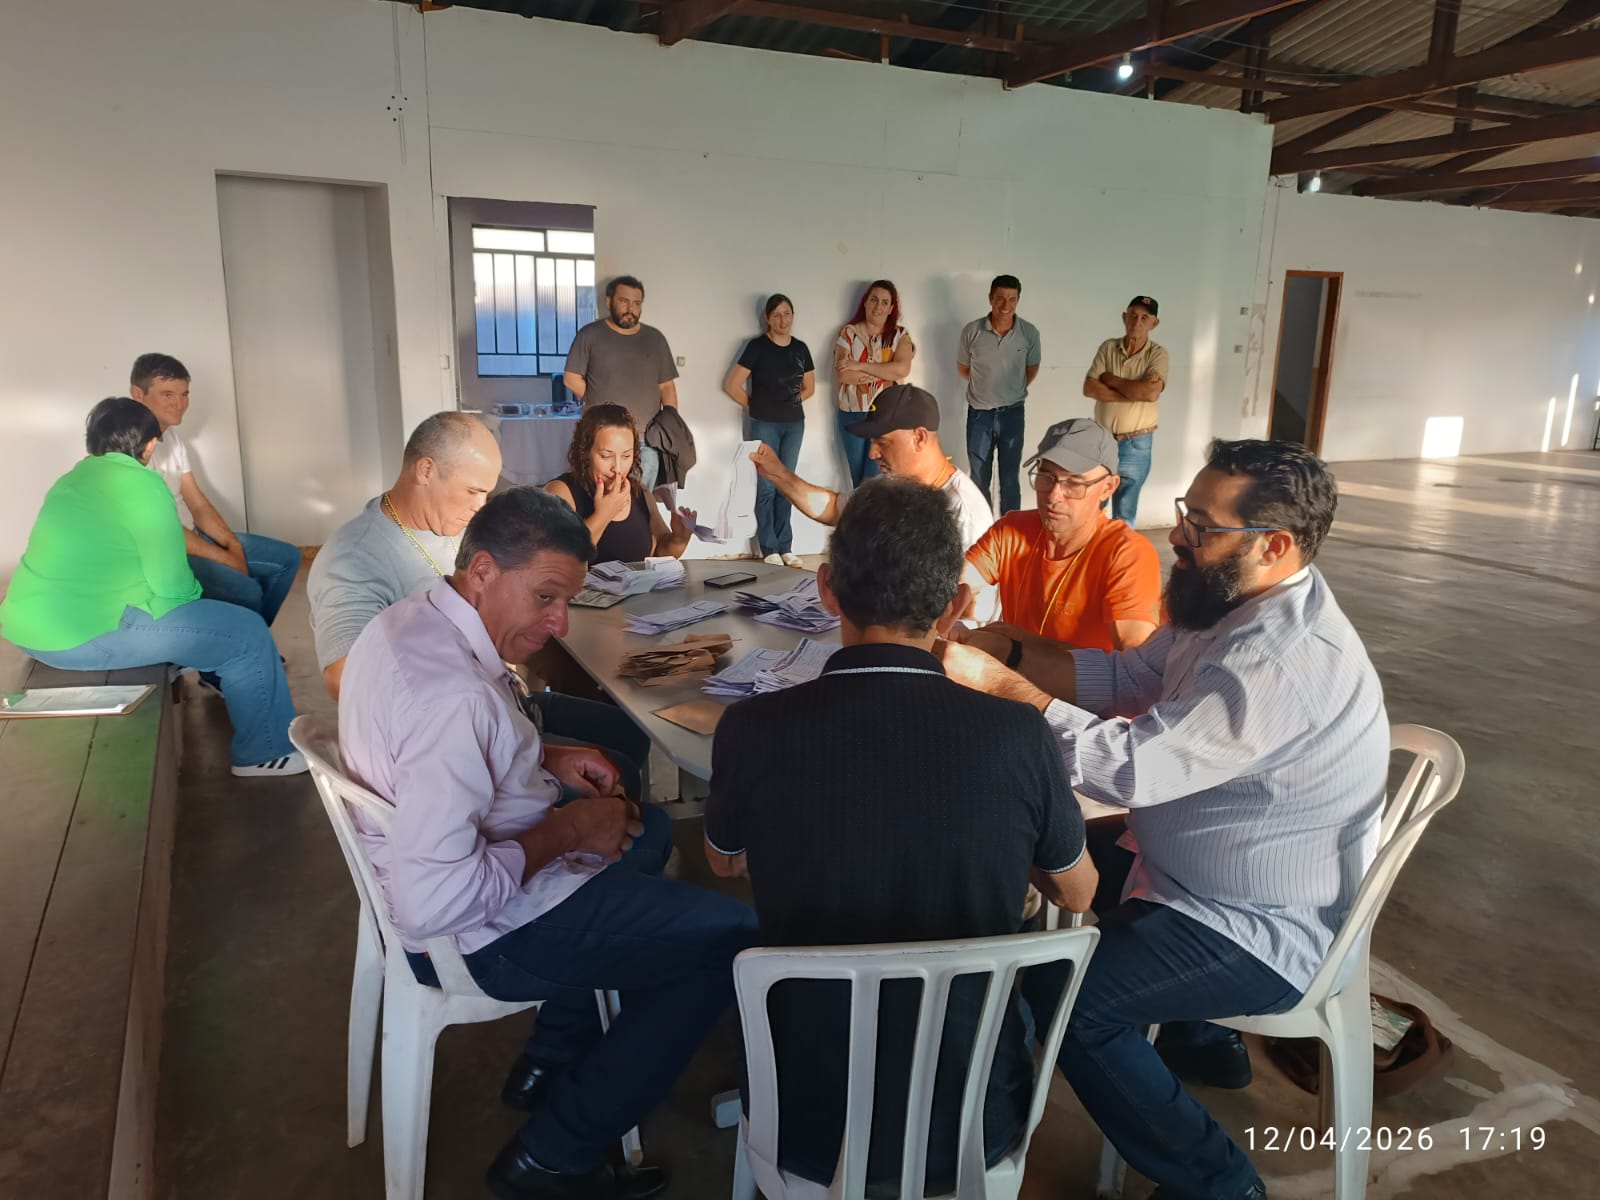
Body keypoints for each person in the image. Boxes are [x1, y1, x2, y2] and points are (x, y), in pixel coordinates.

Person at [938, 439, 1389, 1200]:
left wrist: (1005, 690)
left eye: (1203, 526)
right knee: (1023, 850)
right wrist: (1006, 650)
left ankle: (1221, 1185)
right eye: (1186, 512)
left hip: (1256, 919)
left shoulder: (1279, 657)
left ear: (1275, 545)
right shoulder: (1227, 604)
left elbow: (1133, 768)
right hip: (1193, 860)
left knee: (1070, 1002)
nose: (1178, 534)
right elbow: (1127, 675)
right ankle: (1186, 1041)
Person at [338, 487, 759, 1200]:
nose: (559, 621)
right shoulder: (452, 703)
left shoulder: (410, 621)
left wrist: (544, 756)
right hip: (487, 934)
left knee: (648, 828)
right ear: (481, 570)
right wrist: (569, 829)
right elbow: (432, 902)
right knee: (731, 941)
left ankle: (554, 1053)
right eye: (544, 598)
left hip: (469, 870)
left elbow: (460, 748)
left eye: (566, 600)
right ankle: (553, 1156)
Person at [703, 477, 1096, 1194]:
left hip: (804, 1123)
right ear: (957, 606)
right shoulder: (1018, 734)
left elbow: (724, 862)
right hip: (977, 1123)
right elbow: (1078, 890)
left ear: (826, 590)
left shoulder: (751, 729)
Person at [308, 412, 651, 796]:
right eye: (473, 491)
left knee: (633, 733)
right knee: (618, 774)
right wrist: (532, 754)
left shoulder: (453, 525)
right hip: (449, 741)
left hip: (506, 704)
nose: (480, 506)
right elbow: (346, 678)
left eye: (487, 493)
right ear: (426, 470)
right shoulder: (355, 557)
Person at [0, 398, 303, 777]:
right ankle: (265, 752)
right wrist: (198, 610)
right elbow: (173, 586)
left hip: (29, 628)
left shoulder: (72, 480)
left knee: (203, 614)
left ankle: (198, 666)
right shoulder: (143, 484)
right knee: (246, 634)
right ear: (149, 445)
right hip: (80, 636)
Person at [130, 352, 302, 626]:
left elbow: (197, 503)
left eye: (184, 394)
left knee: (288, 558)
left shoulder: (171, 437)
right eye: (167, 394)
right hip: (170, 550)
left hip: (193, 536)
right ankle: (236, 646)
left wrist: (232, 546)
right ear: (138, 394)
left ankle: (253, 638)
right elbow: (163, 532)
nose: (179, 404)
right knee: (246, 589)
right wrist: (226, 559)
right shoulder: (131, 448)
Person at [962, 418, 1160, 652]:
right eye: (1046, 477)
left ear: (1108, 488)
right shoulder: (1012, 529)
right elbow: (959, 586)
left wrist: (1019, 647)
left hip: (1080, 679)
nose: (1054, 496)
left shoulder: (1127, 554)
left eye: (1074, 483)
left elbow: (1135, 664)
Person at [749, 383, 993, 550]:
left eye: (883, 443)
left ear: (919, 437)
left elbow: (964, 607)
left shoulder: (964, 514)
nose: (873, 453)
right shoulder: (890, 486)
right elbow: (834, 508)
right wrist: (778, 473)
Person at [723, 294, 815, 567]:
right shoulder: (757, 346)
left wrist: (789, 403)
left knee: (787, 485)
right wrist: (757, 406)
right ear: (767, 318)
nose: (782, 320)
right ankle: (769, 548)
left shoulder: (800, 348)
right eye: (777, 315)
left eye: (787, 314)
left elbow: (809, 388)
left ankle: (786, 546)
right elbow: (732, 385)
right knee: (766, 486)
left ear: (793, 316)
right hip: (764, 424)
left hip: (794, 424)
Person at [563, 275, 678, 489]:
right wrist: (597, 397)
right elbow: (571, 378)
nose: (630, 309)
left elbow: (666, 386)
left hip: (646, 440)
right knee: (599, 495)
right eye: (624, 301)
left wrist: (670, 424)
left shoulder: (655, 339)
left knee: (641, 499)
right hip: (601, 437)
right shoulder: (590, 335)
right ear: (609, 302)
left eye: (636, 303)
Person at [545, 405, 695, 564]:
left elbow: (659, 553)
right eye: (606, 456)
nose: (617, 468)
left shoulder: (640, 491)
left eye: (626, 456)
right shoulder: (560, 492)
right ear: (585, 452)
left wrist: (679, 539)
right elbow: (559, 559)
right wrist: (604, 514)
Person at [1081, 297, 1168, 525]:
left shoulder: (1158, 354)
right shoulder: (1108, 347)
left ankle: (1120, 549)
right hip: (1103, 440)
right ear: (1124, 317)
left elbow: (1150, 394)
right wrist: (1133, 393)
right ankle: (1094, 548)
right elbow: (1089, 387)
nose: (1137, 322)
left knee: (1125, 513)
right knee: (1093, 508)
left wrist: (1110, 379)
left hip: (1136, 444)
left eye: (1145, 318)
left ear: (1154, 323)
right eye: (1132, 315)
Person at [958, 274, 1040, 514]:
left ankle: (1009, 528)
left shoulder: (1029, 333)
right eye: (1000, 298)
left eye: (1012, 299)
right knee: (979, 477)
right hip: (979, 415)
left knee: (1010, 477)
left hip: (1012, 414)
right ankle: (983, 529)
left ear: (1018, 300)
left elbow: (1031, 369)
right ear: (990, 298)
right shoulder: (972, 331)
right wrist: (986, 387)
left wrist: (1009, 389)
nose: (1006, 305)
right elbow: (963, 368)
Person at [834, 280, 915, 487]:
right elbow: (844, 374)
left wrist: (859, 366)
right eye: (874, 300)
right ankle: (860, 509)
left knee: (877, 477)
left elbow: (902, 369)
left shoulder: (900, 335)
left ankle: (874, 509)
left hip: (886, 415)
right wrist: (885, 372)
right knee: (858, 479)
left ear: (891, 308)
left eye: (885, 302)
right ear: (865, 302)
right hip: (852, 413)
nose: (878, 306)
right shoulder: (849, 333)